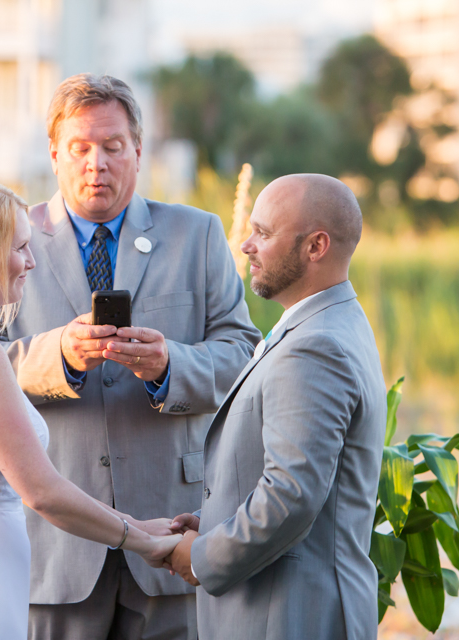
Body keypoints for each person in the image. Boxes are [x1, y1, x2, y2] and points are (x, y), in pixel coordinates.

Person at [0, 74, 261, 640]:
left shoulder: (199, 235)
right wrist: (58, 355)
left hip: (170, 533)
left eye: (113, 147)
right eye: (81, 149)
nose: (97, 164)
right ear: (55, 154)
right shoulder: (10, 241)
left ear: (139, 150)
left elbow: (243, 357)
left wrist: (171, 367)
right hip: (55, 540)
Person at [0, 182, 182, 640]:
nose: (32, 261)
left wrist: (139, 523)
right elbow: (41, 491)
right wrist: (144, 540)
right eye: (20, 248)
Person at [165, 174, 387, 640]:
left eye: (263, 233)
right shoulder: (328, 320)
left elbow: (291, 495)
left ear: (316, 247)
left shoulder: (316, 346)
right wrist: (213, 521)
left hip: (292, 615)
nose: (246, 245)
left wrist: (202, 558)